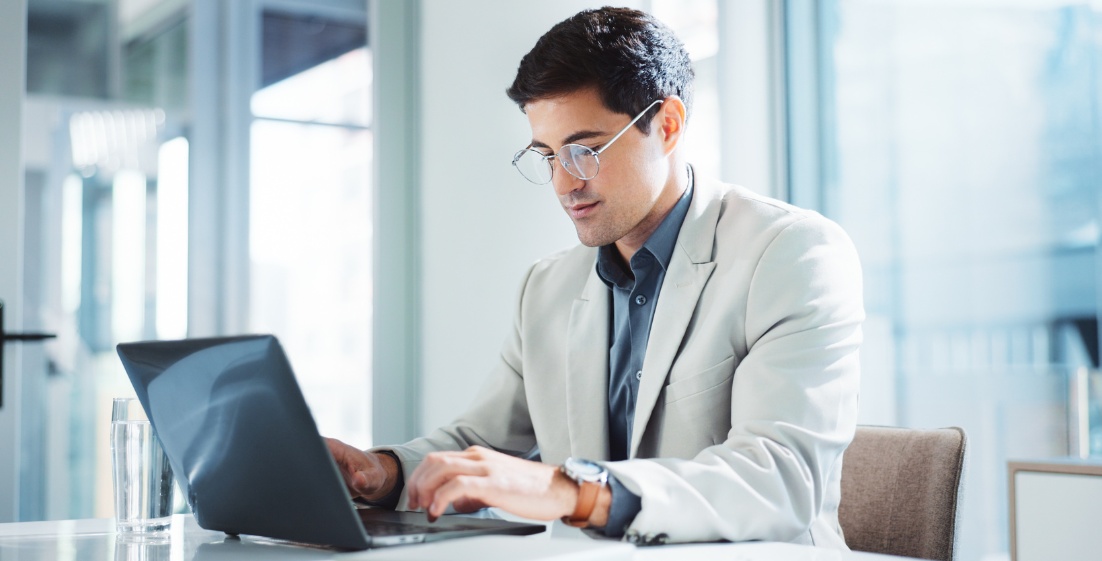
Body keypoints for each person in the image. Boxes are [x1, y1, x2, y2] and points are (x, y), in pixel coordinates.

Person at [326, 6, 863, 548]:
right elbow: (484, 443)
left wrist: (574, 491)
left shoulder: (791, 253)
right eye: (548, 155)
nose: (564, 183)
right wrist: (382, 471)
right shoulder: (547, 287)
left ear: (668, 125)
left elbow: (776, 479)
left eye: (585, 150)